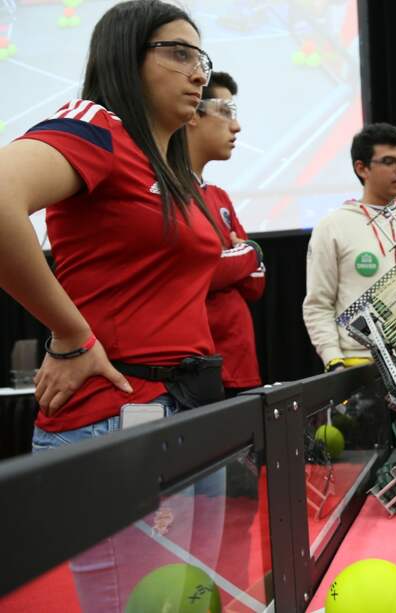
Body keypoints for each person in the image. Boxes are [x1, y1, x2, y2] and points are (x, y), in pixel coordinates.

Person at [0, 1, 227, 608]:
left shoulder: (170, 166)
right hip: (120, 415)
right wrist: (70, 335)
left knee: (198, 601)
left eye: (200, 57)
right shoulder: (98, 127)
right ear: (126, 58)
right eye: (177, 53)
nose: (198, 73)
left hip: (191, 413)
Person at [303, 122, 396, 372]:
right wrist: (333, 360)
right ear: (361, 168)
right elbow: (319, 303)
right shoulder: (333, 226)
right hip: (359, 364)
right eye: (389, 162)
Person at [186, 71, 265, 395]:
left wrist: (243, 258)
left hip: (240, 364)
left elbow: (256, 284)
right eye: (226, 112)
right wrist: (250, 252)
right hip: (201, 368)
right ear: (193, 114)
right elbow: (205, 271)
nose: (237, 126)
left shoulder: (218, 196)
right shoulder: (170, 192)